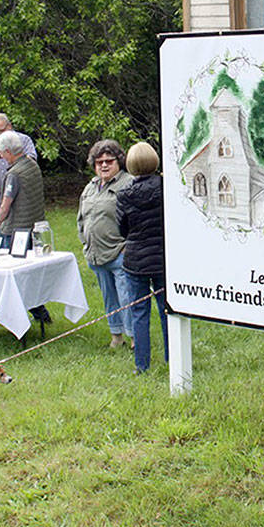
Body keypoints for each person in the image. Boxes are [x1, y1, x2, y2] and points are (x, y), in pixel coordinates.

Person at [117, 141, 170, 375]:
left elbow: (123, 230)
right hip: (163, 257)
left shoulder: (124, 194)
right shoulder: (167, 187)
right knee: (168, 309)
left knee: (139, 313)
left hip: (136, 259)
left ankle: (142, 365)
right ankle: (173, 357)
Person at [77, 139, 134, 349]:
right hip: (96, 255)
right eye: (99, 161)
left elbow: (136, 219)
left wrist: (128, 246)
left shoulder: (128, 184)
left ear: (119, 162)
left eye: (109, 161)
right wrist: (85, 242)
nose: (103, 165)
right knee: (109, 298)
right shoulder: (90, 187)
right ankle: (116, 336)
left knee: (126, 298)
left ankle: (134, 339)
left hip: (119, 253)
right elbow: (81, 218)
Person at [0, 129, 52, 334]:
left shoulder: (14, 174)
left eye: (1, 152)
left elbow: (7, 201)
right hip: (35, 226)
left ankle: (22, 315)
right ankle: (40, 312)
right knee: (30, 273)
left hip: (19, 231)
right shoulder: (32, 165)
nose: (0, 156)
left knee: (17, 275)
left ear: (9, 151)